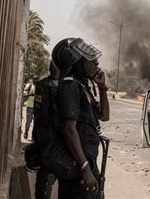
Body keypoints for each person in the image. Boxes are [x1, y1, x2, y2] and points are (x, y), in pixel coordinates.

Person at [52, 38, 110, 199]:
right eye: (91, 61)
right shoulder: (70, 86)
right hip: (78, 166)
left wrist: (102, 88)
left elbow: (104, 116)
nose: (96, 64)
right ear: (77, 62)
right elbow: (68, 129)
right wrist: (84, 168)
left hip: (87, 161)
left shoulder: (83, 86)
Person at [33, 61, 60, 199]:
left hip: (40, 133)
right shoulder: (55, 88)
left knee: (42, 171)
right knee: (54, 169)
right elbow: (55, 115)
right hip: (51, 135)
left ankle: (40, 196)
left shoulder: (41, 84)